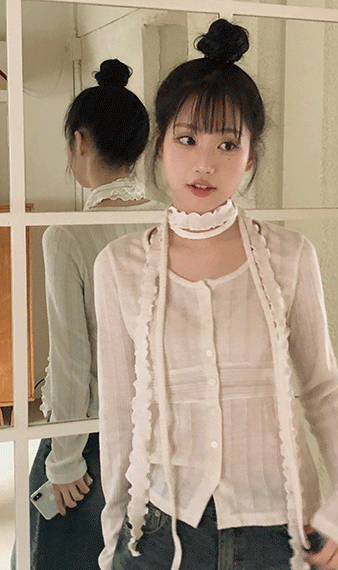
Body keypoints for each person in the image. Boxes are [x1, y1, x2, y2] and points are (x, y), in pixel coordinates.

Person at [94, 20, 338, 570]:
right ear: (160, 145)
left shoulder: (289, 256)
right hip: (161, 532)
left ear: (250, 157)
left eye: (227, 143)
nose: (205, 163)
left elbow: (322, 389)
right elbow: (120, 412)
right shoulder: (119, 266)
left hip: (276, 529)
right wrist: (113, 537)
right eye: (187, 139)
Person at [15, 59, 164, 570]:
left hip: (97, 435)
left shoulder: (67, 235)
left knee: (57, 551)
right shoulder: (174, 223)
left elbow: (72, 358)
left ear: (79, 141)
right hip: (165, 432)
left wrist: (64, 459)